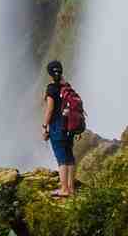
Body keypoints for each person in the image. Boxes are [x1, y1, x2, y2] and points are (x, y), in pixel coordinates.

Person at [42, 60, 76, 197]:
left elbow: (50, 110)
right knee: (70, 157)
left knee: (61, 158)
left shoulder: (51, 88)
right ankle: (71, 189)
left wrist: (45, 126)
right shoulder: (67, 87)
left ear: (50, 73)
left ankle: (64, 189)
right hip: (70, 125)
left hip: (57, 125)